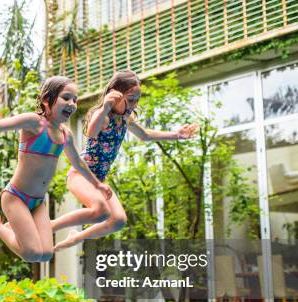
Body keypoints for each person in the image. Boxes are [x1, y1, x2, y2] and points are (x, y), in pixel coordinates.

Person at [0, 76, 112, 262]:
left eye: (75, 100)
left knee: (46, 254)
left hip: (38, 202)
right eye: (66, 98)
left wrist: (97, 185)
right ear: (47, 100)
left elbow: (78, 164)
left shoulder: (65, 135)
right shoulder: (35, 123)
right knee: (32, 254)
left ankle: (0, 226)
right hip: (15, 197)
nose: (72, 103)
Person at [52, 71, 198, 251]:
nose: (134, 104)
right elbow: (91, 131)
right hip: (81, 175)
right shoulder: (103, 115)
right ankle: (50, 226)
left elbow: (144, 135)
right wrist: (106, 106)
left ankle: (76, 238)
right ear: (115, 94)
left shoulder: (125, 119)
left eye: (137, 99)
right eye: (130, 99)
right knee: (99, 210)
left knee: (118, 221)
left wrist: (176, 135)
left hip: (100, 180)